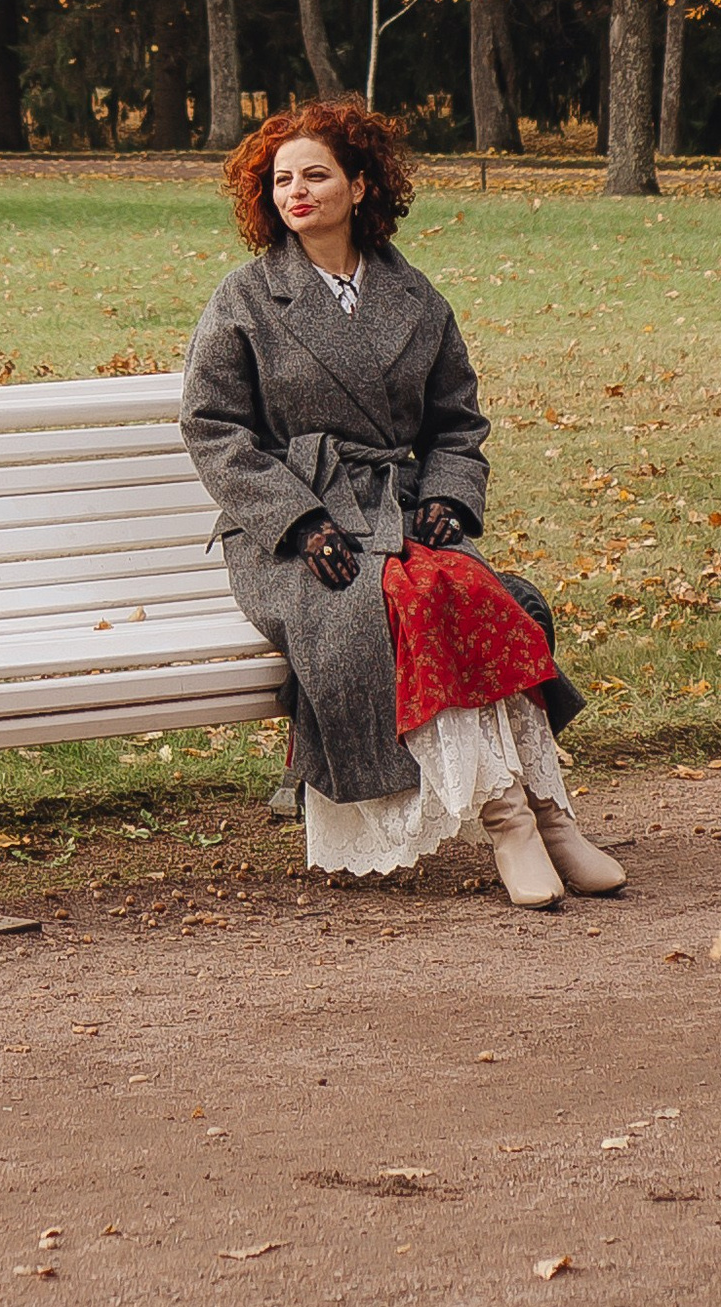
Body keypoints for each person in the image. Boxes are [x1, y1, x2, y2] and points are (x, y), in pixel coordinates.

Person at [180, 96, 625, 908]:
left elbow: (457, 420)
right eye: (282, 180)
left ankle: (554, 817)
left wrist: (449, 498)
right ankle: (511, 824)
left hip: (399, 515)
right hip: (294, 534)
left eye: (316, 175)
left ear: (360, 184)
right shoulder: (245, 300)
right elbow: (214, 430)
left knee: (479, 591)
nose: (297, 192)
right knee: (412, 600)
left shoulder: (412, 296)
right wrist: (300, 521)